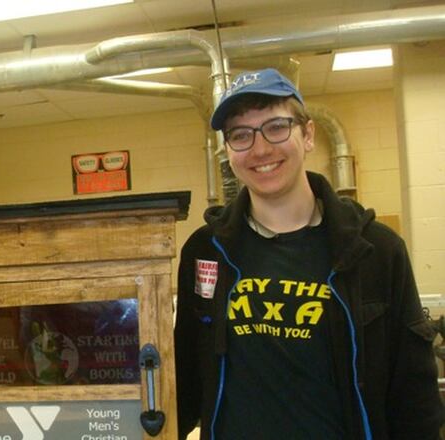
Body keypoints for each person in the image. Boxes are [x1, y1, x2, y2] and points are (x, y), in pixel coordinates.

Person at [174, 68, 443, 439]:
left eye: (276, 126)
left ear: (309, 134)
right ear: (229, 152)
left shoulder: (376, 251)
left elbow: (415, 394)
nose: (261, 148)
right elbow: (185, 375)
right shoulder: (205, 251)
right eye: (241, 135)